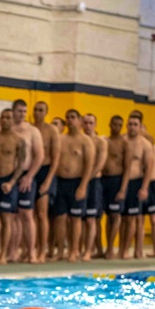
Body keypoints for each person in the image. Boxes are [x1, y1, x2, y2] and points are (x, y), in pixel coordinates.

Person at [49, 109, 95, 262]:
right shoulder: (61, 139)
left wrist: (83, 186)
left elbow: (89, 165)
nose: (70, 120)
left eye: (73, 117)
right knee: (60, 218)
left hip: (77, 182)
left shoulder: (85, 141)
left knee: (76, 218)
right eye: (67, 117)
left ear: (80, 120)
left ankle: (74, 250)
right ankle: (61, 251)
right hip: (61, 182)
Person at [0, 109, 25, 263]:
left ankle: (3, 253)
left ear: (13, 120)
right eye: (2, 117)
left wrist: (11, 182)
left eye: (8, 118)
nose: (4, 120)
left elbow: (21, 165)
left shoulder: (19, 140)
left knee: (5, 219)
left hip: (8, 181)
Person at [10, 100, 44, 258]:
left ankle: (31, 252)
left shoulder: (32, 131)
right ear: (12, 111)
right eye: (19, 111)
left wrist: (29, 176)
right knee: (11, 215)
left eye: (24, 111)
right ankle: (12, 251)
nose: (22, 114)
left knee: (27, 214)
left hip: (25, 176)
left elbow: (39, 156)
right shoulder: (7, 129)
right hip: (9, 176)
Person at [116, 113, 152, 259]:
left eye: (135, 124)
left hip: (135, 182)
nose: (132, 127)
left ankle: (126, 249)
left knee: (131, 219)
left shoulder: (144, 144)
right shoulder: (121, 141)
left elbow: (148, 168)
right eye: (130, 124)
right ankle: (120, 248)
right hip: (119, 182)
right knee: (120, 218)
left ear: (140, 126)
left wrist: (144, 187)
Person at [32, 101, 60, 263]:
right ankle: (32, 249)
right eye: (35, 110)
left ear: (46, 112)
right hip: (31, 172)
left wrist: (48, 180)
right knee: (29, 215)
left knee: (42, 214)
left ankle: (42, 250)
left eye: (41, 110)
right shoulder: (30, 129)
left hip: (45, 172)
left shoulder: (52, 131)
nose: (37, 113)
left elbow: (56, 158)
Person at [82, 114, 107, 261]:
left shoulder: (100, 142)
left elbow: (100, 164)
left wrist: (86, 179)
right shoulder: (78, 140)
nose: (88, 126)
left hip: (93, 182)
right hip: (79, 182)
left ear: (95, 124)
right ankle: (79, 250)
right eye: (85, 123)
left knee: (91, 219)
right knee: (78, 219)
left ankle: (88, 251)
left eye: (91, 123)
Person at [102, 115, 126, 259]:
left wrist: (123, 189)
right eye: (114, 124)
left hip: (117, 181)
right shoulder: (105, 141)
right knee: (107, 215)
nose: (116, 127)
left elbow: (128, 167)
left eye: (119, 125)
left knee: (116, 215)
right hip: (104, 180)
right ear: (110, 124)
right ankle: (107, 247)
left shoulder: (124, 143)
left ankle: (111, 248)